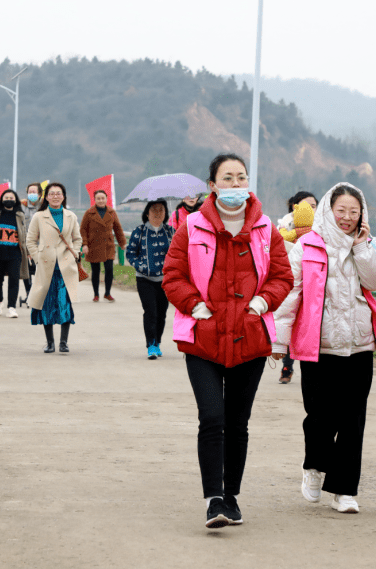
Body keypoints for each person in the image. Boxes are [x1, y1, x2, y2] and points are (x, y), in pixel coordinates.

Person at [163, 153, 293, 529]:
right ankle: (213, 499)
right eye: (228, 178)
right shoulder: (191, 227)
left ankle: (231, 497)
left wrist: (260, 303)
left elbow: (282, 276)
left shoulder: (266, 229)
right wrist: (196, 307)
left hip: (250, 335)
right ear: (212, 185)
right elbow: (173, 274)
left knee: (238, 421)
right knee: (212, 416)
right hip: (203, 336)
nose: (236, 185)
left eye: (241, 177)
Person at [271, 183, 376, 515]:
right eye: (342, 211)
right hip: (317, 345)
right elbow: (290, 295)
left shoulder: (363, 245)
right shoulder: (306, 247)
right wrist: (279, 340)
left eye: (354, 212)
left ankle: (344, 490)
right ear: (328, 210)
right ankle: (314, 465)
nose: (347, 218)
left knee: (352, 419)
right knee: (320, 416)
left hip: (358, 344)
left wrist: (362, 246)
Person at [26, 182, 82, 354]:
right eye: (52, 193)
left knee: (65, 304)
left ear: (64, 196)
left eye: (59, 193)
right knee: (47, 305)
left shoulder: (71, 216)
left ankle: (64, 342)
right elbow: (30, 241)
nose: (55, 196)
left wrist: (75, 253)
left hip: (66, 268)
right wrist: (38, 258)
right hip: (46, 268)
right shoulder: (39, 216)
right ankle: (50, 343)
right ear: (46, 197)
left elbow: (77, 239)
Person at [276, 191, 318, 384]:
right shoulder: (285, 226)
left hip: (313, 287)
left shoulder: (324, 230)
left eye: (314, 205)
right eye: (306, 205)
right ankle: (287, 366)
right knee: (290, 326)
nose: (311, 209)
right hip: (292, 281)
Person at [126, 199, 174, 359]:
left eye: (161, 210)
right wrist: (141, 266)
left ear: (165, 213)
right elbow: (130, 253)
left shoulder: (170, 232)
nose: (158, 213)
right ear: (147, 213)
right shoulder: (139, 232)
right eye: (154, 210)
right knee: (151, 312)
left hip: (165, 280)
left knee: (162, 313)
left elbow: (177, 254)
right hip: (144, 280)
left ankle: (158, 342)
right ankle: (151, 345)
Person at [0, 189, 30, 318]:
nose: (9, 199)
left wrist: (28, 251)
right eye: (6, 197)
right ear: (2, 200)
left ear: (16, 200)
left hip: (15, 253)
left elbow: (24, 234)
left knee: (14, 279)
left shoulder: (19, 215)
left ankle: (12, 307)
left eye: (11, 197)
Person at [80, 189, 126, 302]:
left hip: (108, 245)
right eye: (98, 198)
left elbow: (118, 229)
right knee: (95, 271)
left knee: (109, 270)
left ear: (106, 199)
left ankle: (107, 293)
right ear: (94, 200)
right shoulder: (89, 213)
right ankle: (96, 294)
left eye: (103, 198)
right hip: (93, 246)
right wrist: (84, 244)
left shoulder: (112, 212)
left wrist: (122, 243)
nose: (101, 200)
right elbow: (83, 230)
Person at [20, 182, 43, 306]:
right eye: (30, 192)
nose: (32, 194)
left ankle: (40, 296)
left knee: (41, 272)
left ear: (39, 194)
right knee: (27, 271)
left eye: (34, 192)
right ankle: (29, 295)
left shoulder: (45, 206)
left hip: (43, 246)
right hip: (27, 245)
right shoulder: (22, 206)